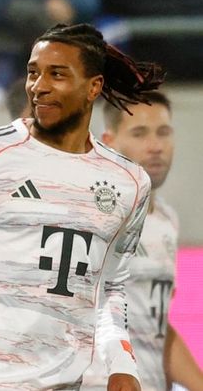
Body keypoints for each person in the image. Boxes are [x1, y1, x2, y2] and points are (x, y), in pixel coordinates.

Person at [0, 23, 164, 390]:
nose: (38, 86)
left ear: (93, 87)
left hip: (67, 380)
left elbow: (110, 287)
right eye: (33, 72)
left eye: (56, 74)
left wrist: (121, 361)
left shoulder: (128, 182)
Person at [82, 91, 203, 390]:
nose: (155, 146)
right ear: (108, 142)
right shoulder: (90, 216)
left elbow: (156, 328)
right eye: (139, 133)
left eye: (163, 132)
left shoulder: (167, 221)